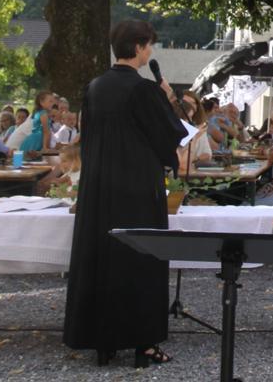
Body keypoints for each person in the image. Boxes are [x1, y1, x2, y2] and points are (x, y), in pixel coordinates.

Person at [64, 20, 187, 368]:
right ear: (137, 47)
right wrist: (166, 97)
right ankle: (144, 345)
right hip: (135, 189)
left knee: (102, 259)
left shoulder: (95, 87)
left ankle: (103, 342)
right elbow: (168, 138)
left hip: (99, 186)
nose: (150, 52)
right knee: (139, 261)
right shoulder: (143, 90)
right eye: (148, 45)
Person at [176, 90, 214, 176]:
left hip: (193, 172)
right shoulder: (175, 129)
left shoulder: (199, 128)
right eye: (185, 103)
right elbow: (183, 164)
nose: (188, 106)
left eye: (192, 103)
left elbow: (207, 154)